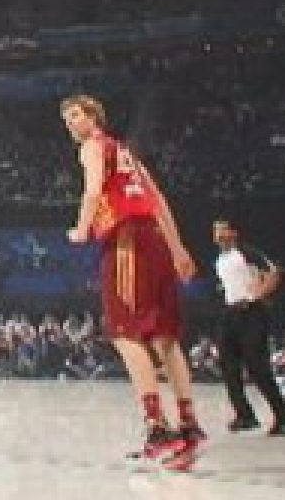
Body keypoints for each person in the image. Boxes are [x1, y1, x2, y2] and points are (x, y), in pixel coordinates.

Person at [61, 95, 202, 470]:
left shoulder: (93, 147)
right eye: (67, 119)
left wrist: (81, 228)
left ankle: (157, 428)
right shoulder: (126, 153)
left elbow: (93, 191)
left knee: (126, 333)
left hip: (127, 241)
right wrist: (178, 249)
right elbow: (159, 201)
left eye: (75, 115)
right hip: (154, 238)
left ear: (94, 117)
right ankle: (189, 426)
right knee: (164, 337)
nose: (70, 123)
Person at [210, 218, 285, 435]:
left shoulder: (246, 252)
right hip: (230, 312)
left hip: (251, 312)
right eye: (216, 230)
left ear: (233, 232)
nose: (218, 234)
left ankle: (283, 413)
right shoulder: (220, 259)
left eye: (222, 229)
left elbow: (274, 272)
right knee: (228, 366)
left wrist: (257, 295)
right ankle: (244, 414)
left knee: (257, 367)